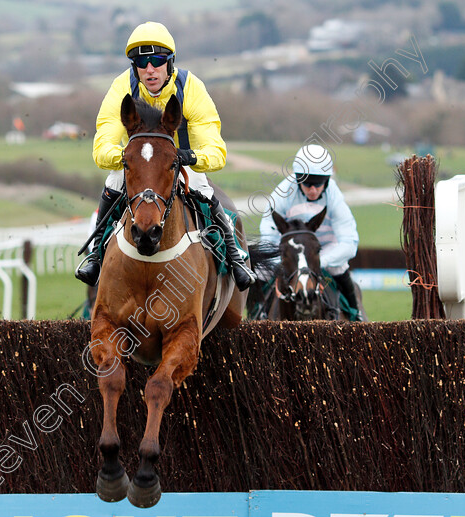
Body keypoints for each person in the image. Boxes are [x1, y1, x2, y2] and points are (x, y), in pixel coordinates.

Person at [76, 21, 255, 290]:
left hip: (180, 163)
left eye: (158, 60)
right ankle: (95, 254)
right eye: (142, 61)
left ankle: (235, 255)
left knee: (202, 188)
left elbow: (216, 152)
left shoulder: (191, 88)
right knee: (114, 179)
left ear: (170, 62)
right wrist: (130, 159)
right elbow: (102, 148)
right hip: (138, 164)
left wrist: (188, 157)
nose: (150, 69)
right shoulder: (120, 88)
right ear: (134, 66)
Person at [259, 144, 364, 321]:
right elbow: (268, 232)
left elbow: (349, 242)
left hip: (322, 250)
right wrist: (283, 260)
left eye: (319, 184)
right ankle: (257, 314)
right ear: (298, 178)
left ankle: (356, 315)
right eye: (307, 184)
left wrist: (318, 261)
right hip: (291, 253)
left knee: (339, 267)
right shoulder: (283, 193)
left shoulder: (335, 197)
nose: (313, 190)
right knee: (262, 272)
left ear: (328, 180)